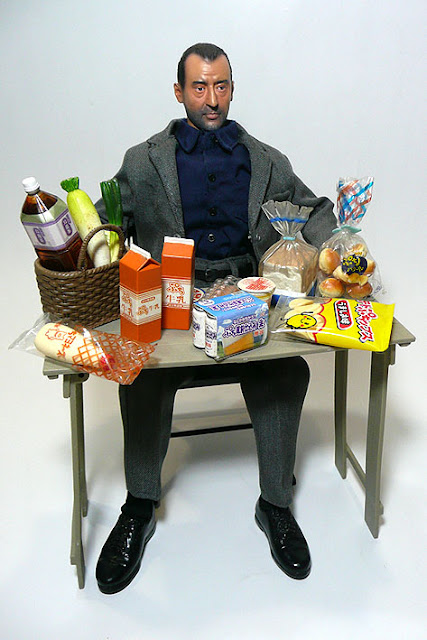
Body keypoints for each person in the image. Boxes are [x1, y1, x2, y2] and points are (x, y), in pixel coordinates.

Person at [95, 43, 336, 594]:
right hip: (171, 299)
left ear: (232, 89)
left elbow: (313, 210)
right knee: (140, 375)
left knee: (285, 372)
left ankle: (275, 504)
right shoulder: (144, 161)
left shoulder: (267, 160)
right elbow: (108, 222)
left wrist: (343, 246)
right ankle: (139, 505)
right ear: (179, 92)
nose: (211, 99)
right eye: (199, 86)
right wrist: (76, 252)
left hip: (248, 297)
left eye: (221, 86)